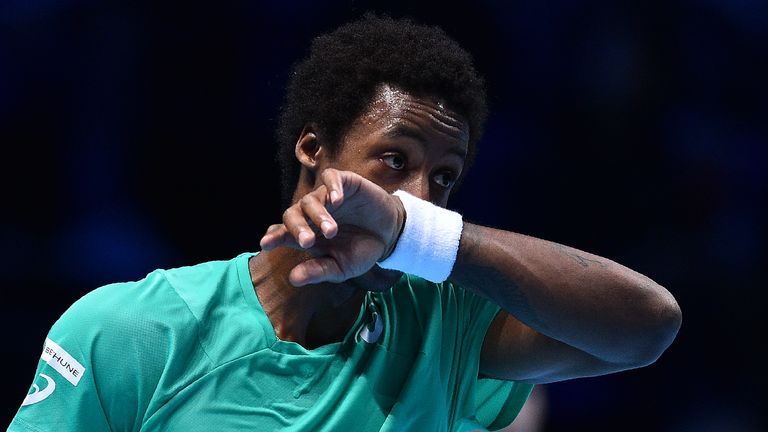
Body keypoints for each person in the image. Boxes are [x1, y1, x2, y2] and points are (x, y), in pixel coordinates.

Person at [8, 14, 682, 431]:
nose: (421, 197)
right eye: (395, 160)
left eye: (443, 179)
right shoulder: (129, 332)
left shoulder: (446, 325)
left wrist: (423, 238)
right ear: (313, 149)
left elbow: (648, 326)